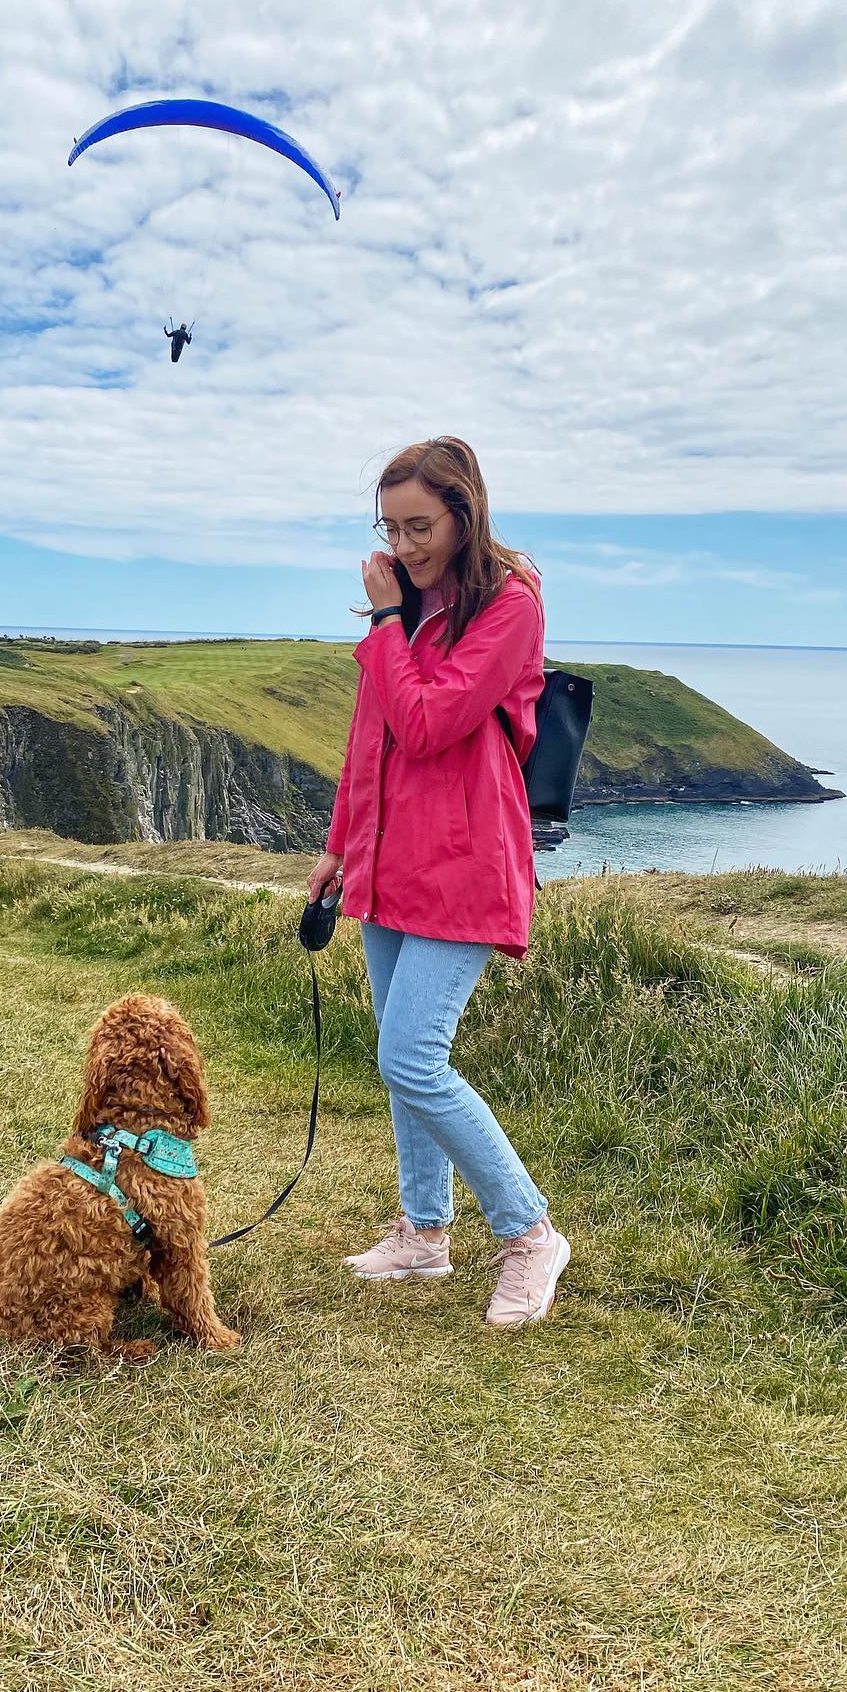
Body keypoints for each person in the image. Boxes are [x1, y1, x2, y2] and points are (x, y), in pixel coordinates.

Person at [305, 436, 569, 1330]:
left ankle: (530, 1233)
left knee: (411, 1057)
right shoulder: (409, 607)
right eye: (392, 528)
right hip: (388, 855)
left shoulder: (510, 606)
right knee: (402, 1061)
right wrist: (340, 845)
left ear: (465, 512)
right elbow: (369, 735)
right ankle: (424, 1231)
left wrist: (384, 623)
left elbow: (426, 724)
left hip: (463, 859)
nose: (407, 544)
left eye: (421, 525)